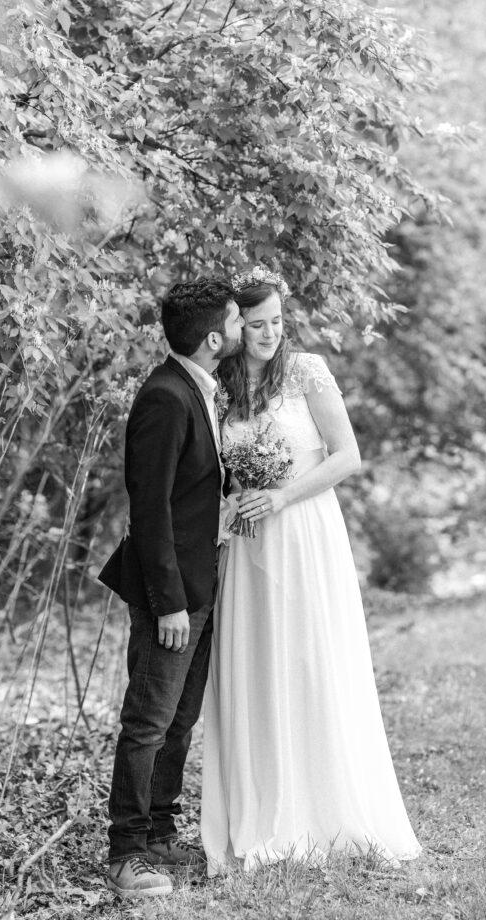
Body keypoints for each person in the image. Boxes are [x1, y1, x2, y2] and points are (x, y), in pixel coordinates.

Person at [200, 266, 422, 874]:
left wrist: (281, 495)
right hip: (246, 541)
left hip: (305, 530)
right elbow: (222, 463)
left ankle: (324, 807)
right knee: (257, 662)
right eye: (256, 324)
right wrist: (239, 491)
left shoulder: (309, 372)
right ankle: (265, 807)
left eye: (276, 321)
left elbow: (347, 456)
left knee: (310, 657)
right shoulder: (220, 383)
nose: (270, 333)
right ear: (235, 325)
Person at [98, 278, 244, 898]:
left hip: (205, 582)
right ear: (214, 339)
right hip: (174, 594)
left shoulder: (203, 389)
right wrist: (170, 603)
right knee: (149, 722)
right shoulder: (164, 396)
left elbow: (192, 493)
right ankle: (128, 854)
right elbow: (150, 509)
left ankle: (159, 833)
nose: (241, 330)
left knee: (180, 720)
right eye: (238, 321)